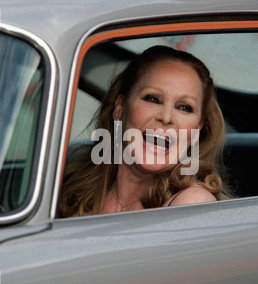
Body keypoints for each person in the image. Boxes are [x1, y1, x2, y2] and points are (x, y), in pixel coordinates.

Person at [59, 45, 231, 218]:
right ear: (120, 108)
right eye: (153, 99)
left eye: (184, 107)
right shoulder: (77, 191)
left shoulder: (192, 203)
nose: (166, 117)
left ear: (197, 128)